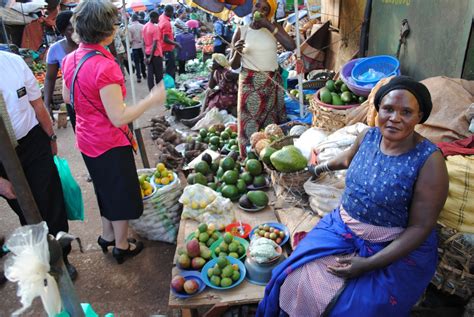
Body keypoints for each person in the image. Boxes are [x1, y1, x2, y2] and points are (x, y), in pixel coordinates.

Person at [257, 76, 449, 317]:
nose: (394, 118)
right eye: (388, 109)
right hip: (341, 227)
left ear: (419, 117)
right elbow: (347, 158)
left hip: (391, 246)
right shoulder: (368, 137)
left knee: (354, 309)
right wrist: (317, 169)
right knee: (292, 276)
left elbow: (420, 228)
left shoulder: (429, 161)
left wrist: (369, 264)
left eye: (406, 112)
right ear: (378, 109)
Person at [61, 0, 166, 264]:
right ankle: (121, 245)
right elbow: (118, 116)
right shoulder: (105, 67)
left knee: (104, 188)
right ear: (106, 30)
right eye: (115, 24)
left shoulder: (71, 58)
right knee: (120, 192)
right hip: (108, 142)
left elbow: (67, 97)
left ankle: (107, 235)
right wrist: (150, 100)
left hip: (86, 138)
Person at [0, 50, 77, 279]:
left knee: (51, 200)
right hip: (1, 159)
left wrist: (51, 137)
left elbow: (37, 105)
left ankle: (62, 257)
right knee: (25, 208)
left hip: (32, 141)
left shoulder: (13, 62)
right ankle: (43, 261)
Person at [230, 0, 295, 155]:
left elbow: (291, 46)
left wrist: (268, 25)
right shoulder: (242, 30)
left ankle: (268, 160)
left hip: (270, 85)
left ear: (268, 13)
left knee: (270, 128)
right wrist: (237, 53)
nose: (260, 10)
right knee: (249, 128)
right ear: (252, 7)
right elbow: (233, 66)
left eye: (265, 9)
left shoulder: (274, 28)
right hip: (249, 86)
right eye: (257, 6)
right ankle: (248, 159)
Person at [182, 53, 238, 127]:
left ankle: (195, 120)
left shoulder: (227, 74)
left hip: (231, 96)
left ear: (219, 63)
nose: (212, 63)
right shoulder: (216, 72)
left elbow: (238, 76)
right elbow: (211, 86)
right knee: (210, 97)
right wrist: (212, 71)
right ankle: (198, 119)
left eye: (214, 62)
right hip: (223, 94)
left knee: (215, 102)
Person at [43, 10, 78, 127]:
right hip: (73, 101)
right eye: (71, 29)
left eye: (77, 27)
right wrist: (47, 105)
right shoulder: (55, 50)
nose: (76, 32)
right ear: (62, 31)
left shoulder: (88, 43)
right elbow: (50, 78)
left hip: (95, 96)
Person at [158, 5, 181, 80]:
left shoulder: (161, 17)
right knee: (171, 68)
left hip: (163, 47)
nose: (172, 14)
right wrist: (176, 43)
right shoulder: (166, 23)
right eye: (172, 12)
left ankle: (169, 83)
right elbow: (165, 39)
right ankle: (171, 85)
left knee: (169, 67)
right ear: (169, 12)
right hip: (167, 48)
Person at [142, 10, 164, 91]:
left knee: (150, 75)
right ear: (153, 18)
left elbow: (143, 42)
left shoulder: (144, 27)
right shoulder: (155, 28)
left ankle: (151, 92)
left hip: (147, 54)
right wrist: (151, 57)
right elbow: (155, 44)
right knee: (159, 75)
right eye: (157, 18)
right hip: (156, 54)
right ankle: (159, 93)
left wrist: (145, 56)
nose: (158, 19)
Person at [128, 13, 147, 83]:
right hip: (142, 46)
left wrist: (132, 42)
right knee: (142, 61)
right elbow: (145, 38)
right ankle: (144, 74)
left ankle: (138, 77)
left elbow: (130, 40)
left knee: (136, 63)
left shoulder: (129, 27)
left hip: (134, 47)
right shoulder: (142, 26)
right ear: (138, 19)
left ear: (132, 19)